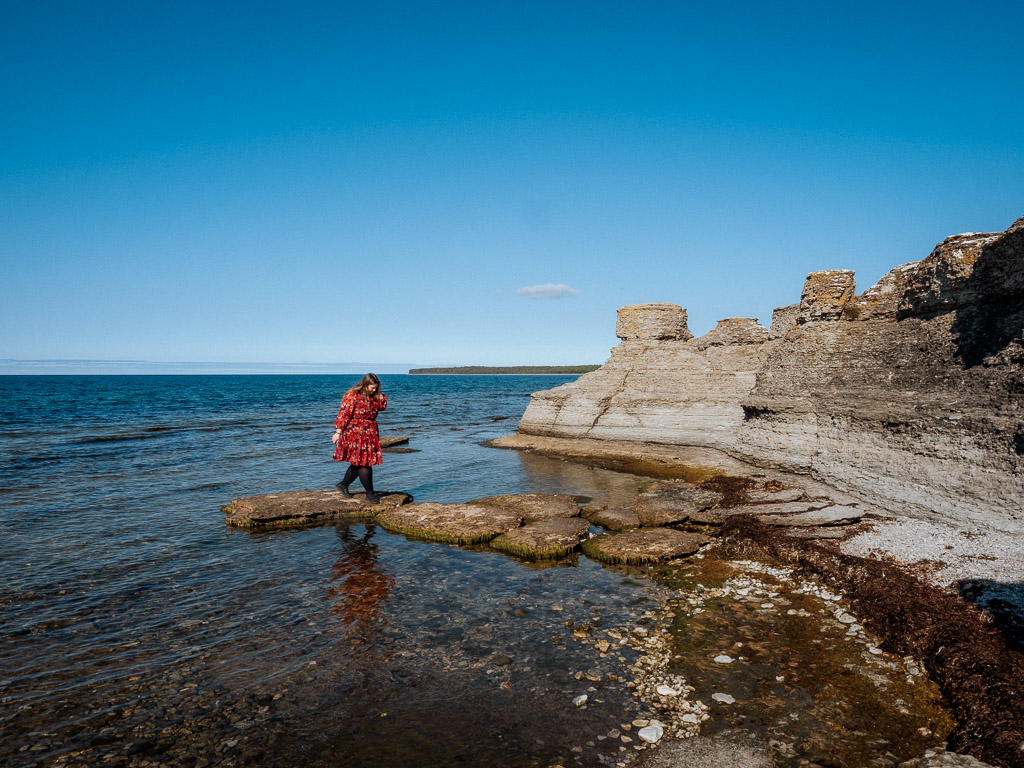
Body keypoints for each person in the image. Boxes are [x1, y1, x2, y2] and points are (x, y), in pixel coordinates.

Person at [332, 373, 387, 503]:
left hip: (370, 432)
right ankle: (370, 493)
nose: (374, 390)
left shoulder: (374, 397)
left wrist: (379, 395)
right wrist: (338, 432)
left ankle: (343, 485)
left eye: (376, 388)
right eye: (372, 388)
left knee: (359, 461)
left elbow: (382, 407)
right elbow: (344, 414)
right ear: (365, 384)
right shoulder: (352, 396)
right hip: (355, 432)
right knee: (364, 463)